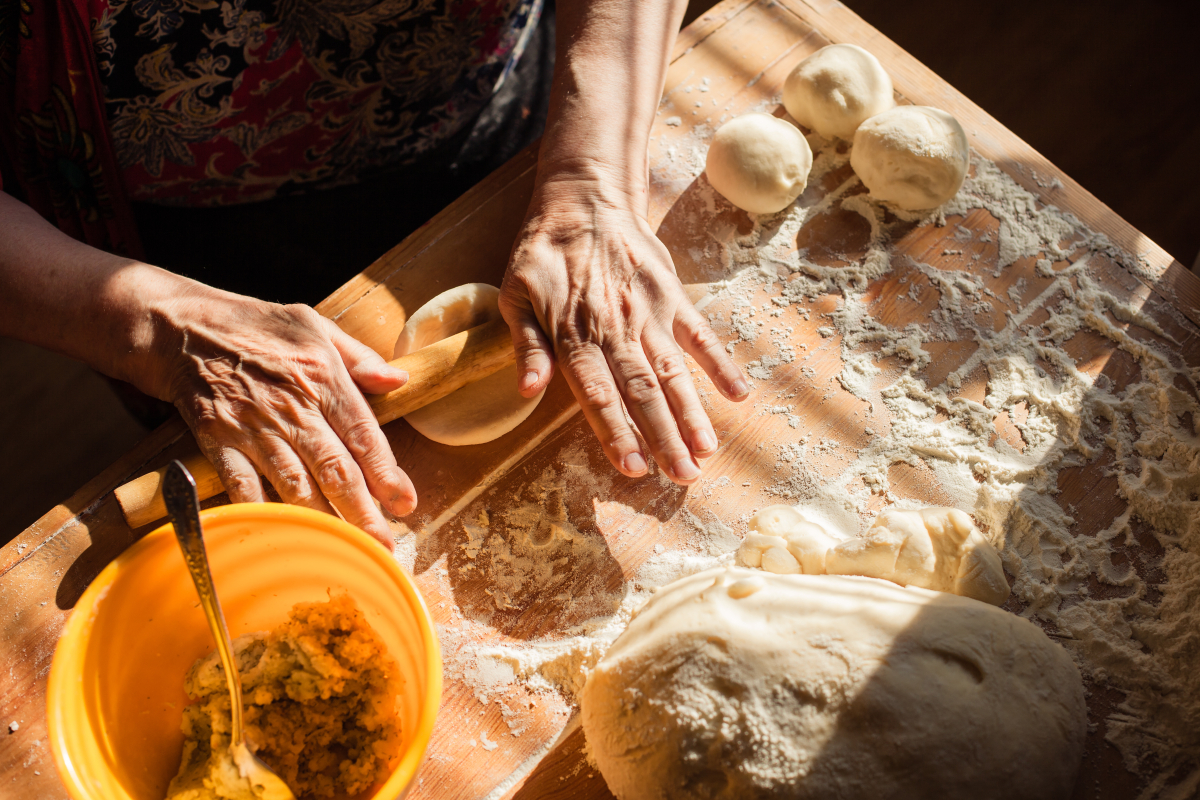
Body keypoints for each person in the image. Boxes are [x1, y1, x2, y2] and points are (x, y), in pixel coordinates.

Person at [0, 0, 749, 546]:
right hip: (174, 235)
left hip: (501, 128)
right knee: (241, 449)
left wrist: (592, 176)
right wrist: (152, 324)